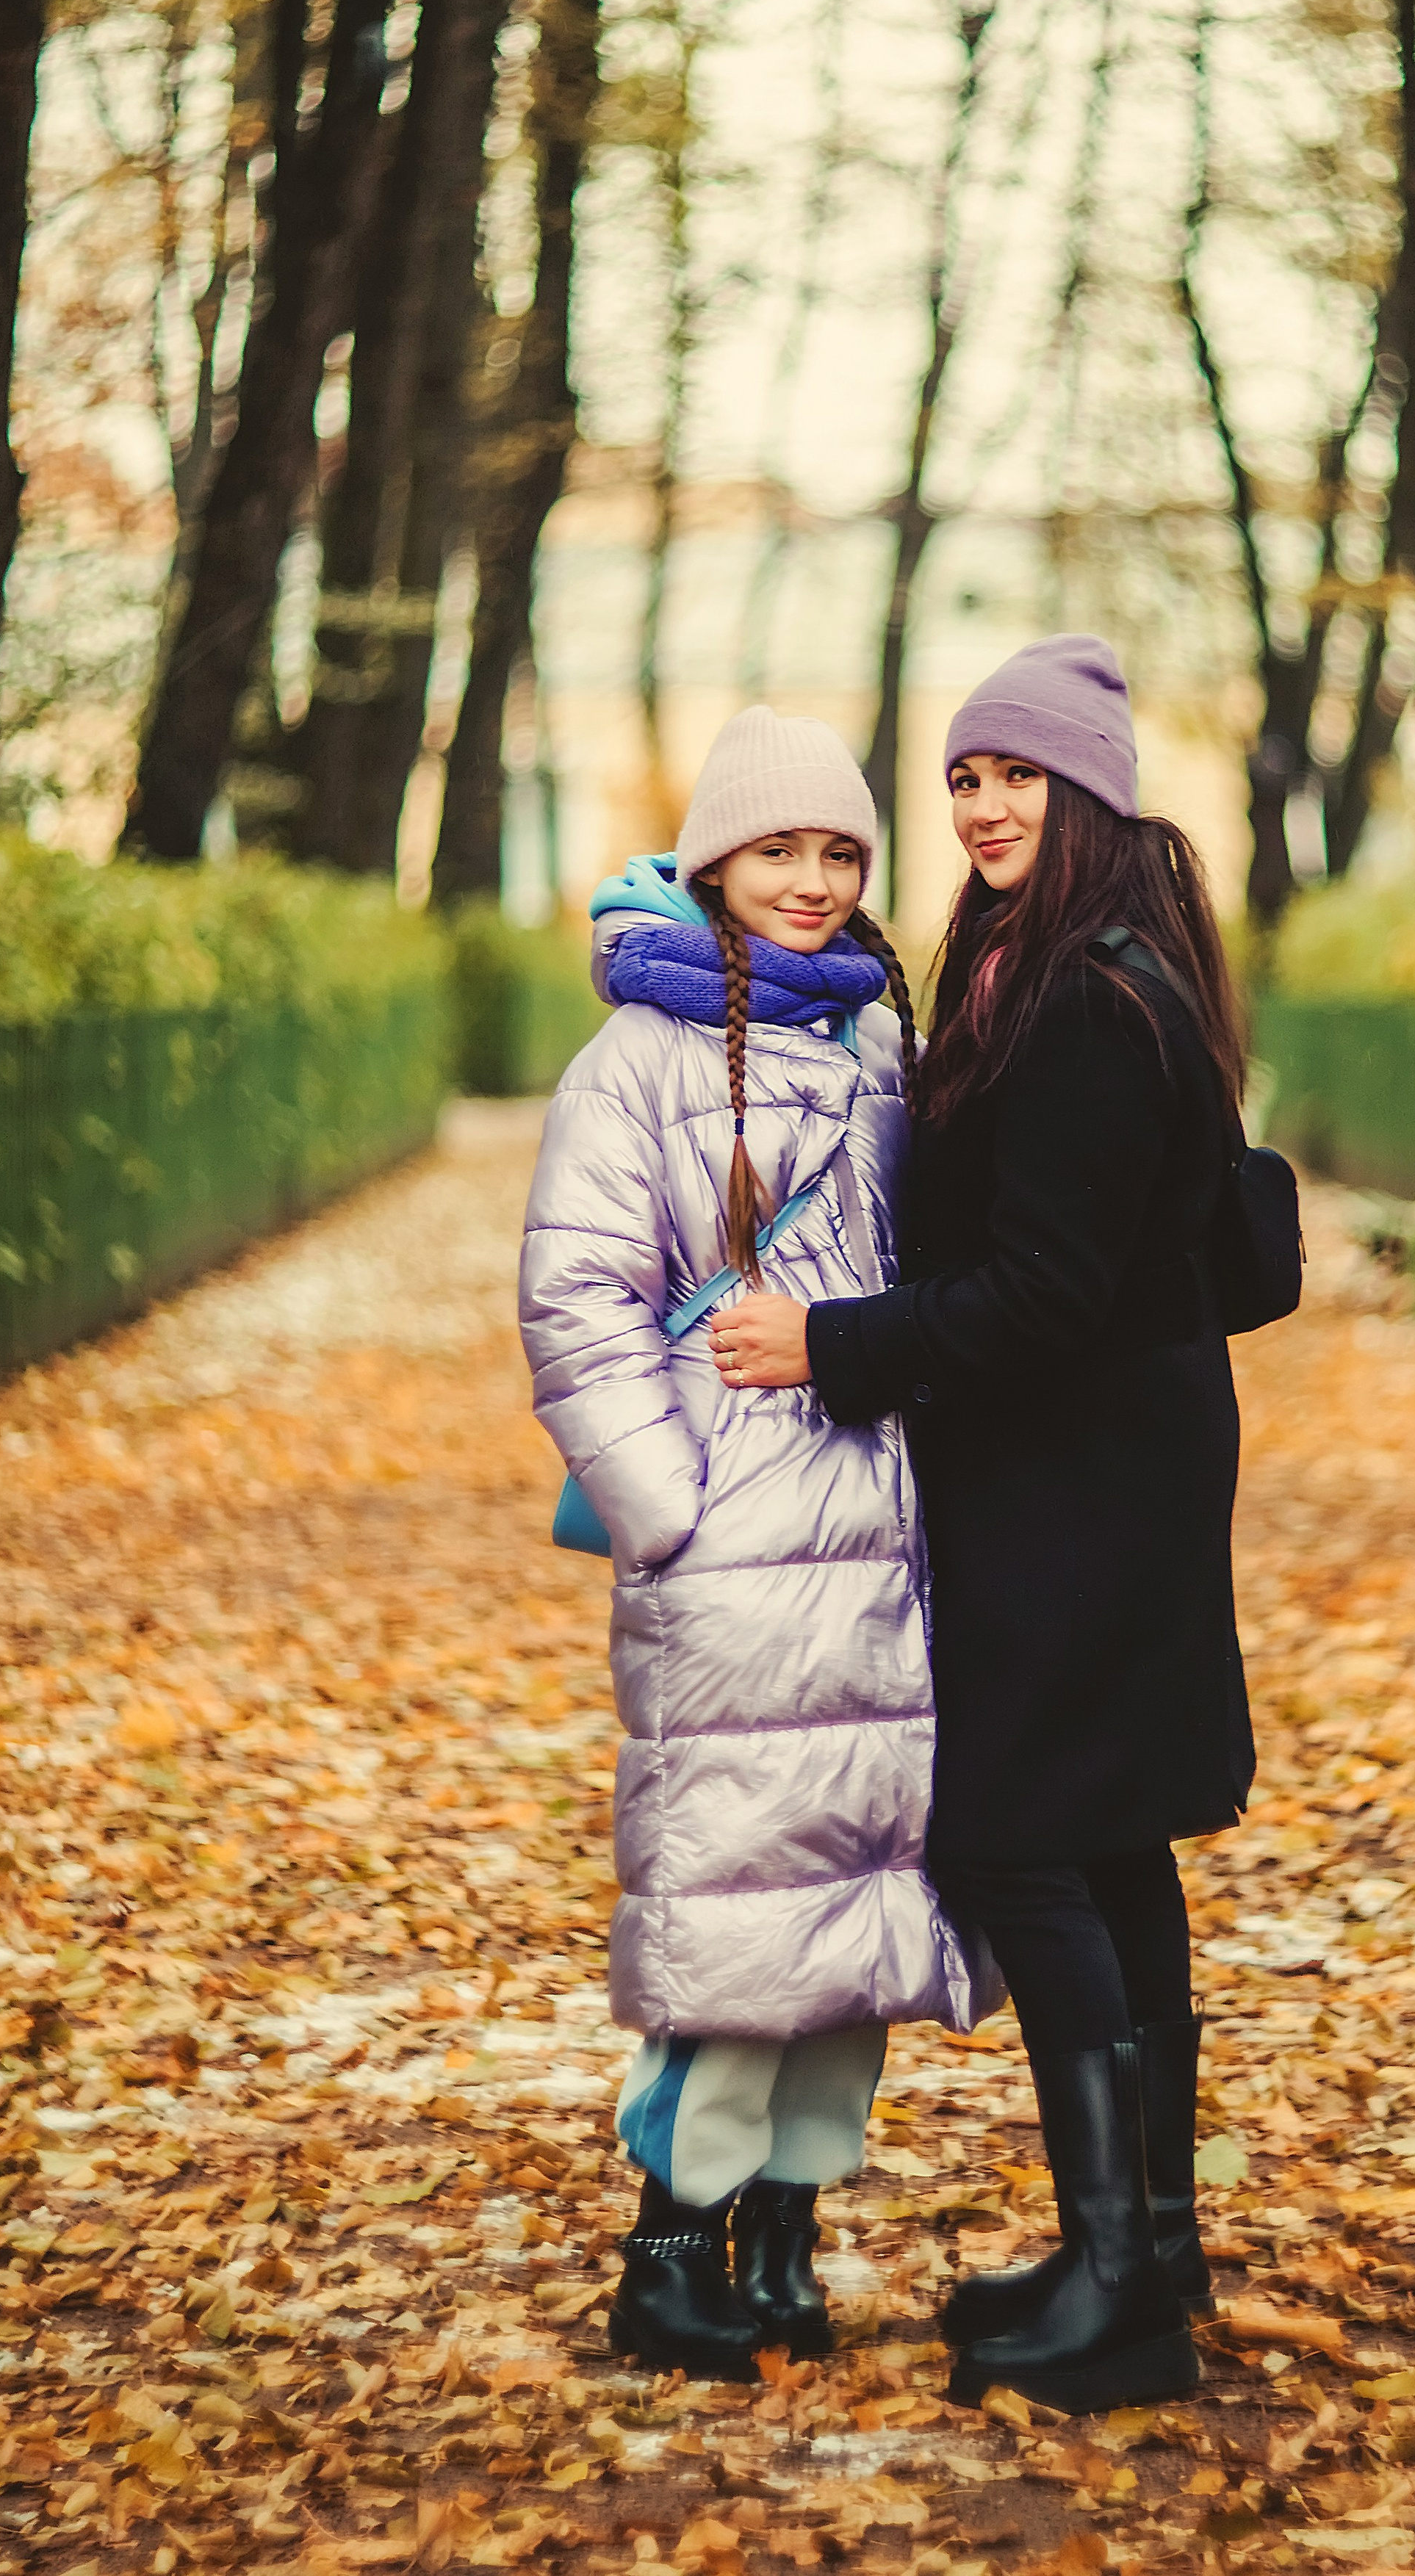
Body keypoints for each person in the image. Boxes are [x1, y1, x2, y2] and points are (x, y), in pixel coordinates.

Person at [716, 637, 1256, 2415]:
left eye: (1016, 774)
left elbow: (1035, 1287)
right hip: (1098, 1466)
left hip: (1079, 1480)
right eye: (963, 777)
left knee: (1022, 1831)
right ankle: (1138, 2251)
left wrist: (827, 1346)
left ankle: (1121, 2277)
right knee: (1104, 1841)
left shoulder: (1090, 999)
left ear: (1088, 787)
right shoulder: (1059, 963)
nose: (983, 803)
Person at [519, 707, 994, 2381]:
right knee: (735, 1920)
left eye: (840, 852)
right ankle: (668, 2255)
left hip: (878, 1539)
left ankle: (785, 2241)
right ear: (714, 858)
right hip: (731, 1556)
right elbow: (576, 1299)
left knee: (852, 1901)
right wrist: (673, 1504)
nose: (810, 882)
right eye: (778, 849)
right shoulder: (637, 1058)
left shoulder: (878, 1038)